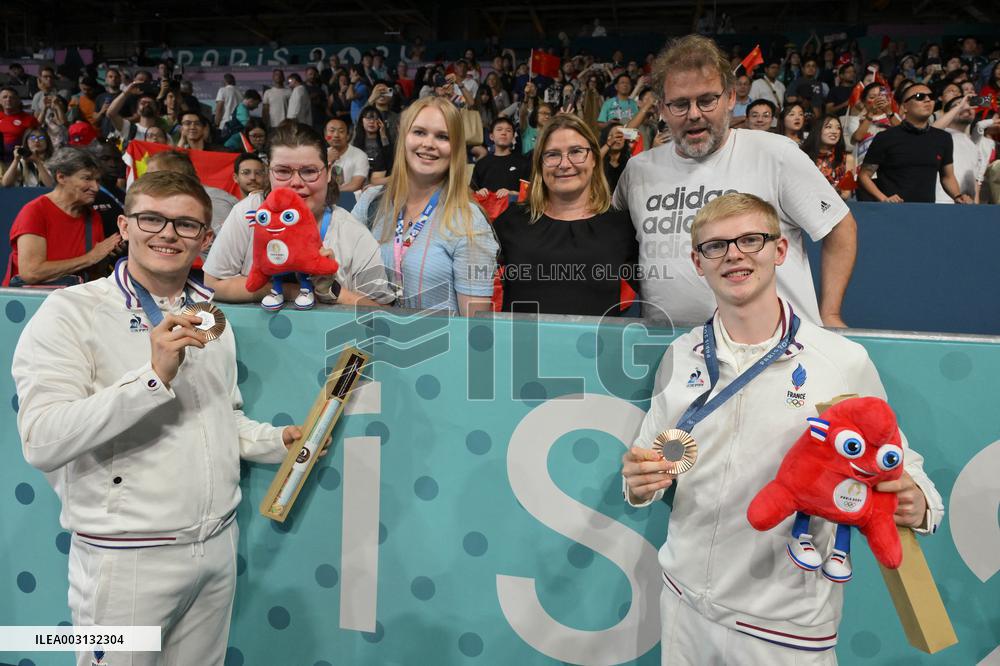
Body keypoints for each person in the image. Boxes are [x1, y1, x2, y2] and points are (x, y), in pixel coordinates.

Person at [621, 192, 942, 665]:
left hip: (785, 627)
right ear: (697, 261)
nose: (734, 254)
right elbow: (648, 458)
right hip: (685, 604)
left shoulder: (839, 360)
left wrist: (921, 503)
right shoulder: (681, 355)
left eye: (751, 239)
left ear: (780, 250)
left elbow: (900, 464)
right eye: (716, 246)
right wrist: (638, 482)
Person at [12, 170, 306, 666]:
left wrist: (280, 442)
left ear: (205, 240)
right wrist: (152, 379)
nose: (168, 234)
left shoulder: (210, 316)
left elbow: (220, 418)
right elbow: (42, 440)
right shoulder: (70, 312)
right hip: (127, 560)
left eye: (186, 225)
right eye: (152, 219)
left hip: (214, 549)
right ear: (124, 227)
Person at [612, 34, 857, 328]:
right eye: (679, 104)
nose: (694, 114)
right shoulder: (638, 171)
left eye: (706, 100)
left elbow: (840, 226)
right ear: (662, 109)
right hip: (672, 351)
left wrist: (830, 314)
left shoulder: (775, 153)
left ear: (730, 98)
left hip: (777, 350)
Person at [204, 121, 394, 307]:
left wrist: (330, 290)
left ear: (328, 173)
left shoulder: (353, 234)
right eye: (283, 171)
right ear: (269, 172)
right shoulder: (249, 214)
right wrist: (289, 290)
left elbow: (382, 312)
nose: (296, 182)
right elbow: (213, 283)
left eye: (309, 171)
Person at [351, 96, 498, 314]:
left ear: (455, 148)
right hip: (370, 342)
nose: (428, 144)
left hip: (436, 345)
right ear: (404, 137)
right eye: (419, 132)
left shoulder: (470, 221)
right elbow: (336, 272)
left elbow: (475, 325)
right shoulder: (371, 201)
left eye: (442, 136)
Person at [493, 113, 637, 316]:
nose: (564, 164)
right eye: (552, 154)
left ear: (594, 158)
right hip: (523, 346)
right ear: (540, 164)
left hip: (597, 346)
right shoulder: (511, 220)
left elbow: (657, 293)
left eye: (576, 152)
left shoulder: (621, 225)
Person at [3, 147, 121, 286]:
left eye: (97, 180)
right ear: (61, 177)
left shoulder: (93, 216)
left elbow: (94, 274)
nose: (95, 187)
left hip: (72, 300)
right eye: (87, 178)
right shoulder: (35, 212)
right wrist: (89, 258)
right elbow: (31, 273)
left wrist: (104, 258)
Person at [858, 83, 970, 204]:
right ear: (904, 107)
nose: (927, 100)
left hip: (926, 212)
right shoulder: (885, 137)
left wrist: (957, 196)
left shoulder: (943, 138)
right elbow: (864, 176)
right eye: (919, 96)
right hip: (892, 212)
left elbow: (947, 176)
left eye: (930, 96)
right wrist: (884, 198)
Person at [144, 150, 236, 243]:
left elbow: (232, 247)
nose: (147, 181)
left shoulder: (212, 201)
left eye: (153, 176)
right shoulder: (182, 201)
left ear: (176, 175)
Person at [470, 117, 531, 198]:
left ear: (513, 137)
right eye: (499, 129)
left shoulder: (523, 162)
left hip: (515, 209)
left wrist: (513, 193)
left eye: (508, 130)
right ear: (491, 136)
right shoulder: (481, 164)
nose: (503, 133)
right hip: (486, 209)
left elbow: (530, 194)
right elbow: (471, 192)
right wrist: (478, 193)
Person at [802, 116, 855, 200]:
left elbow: (846, 194)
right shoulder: (803, 156)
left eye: (838, 128)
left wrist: (835, 191)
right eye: (828, 127)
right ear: (818, 130)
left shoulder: (848, 159)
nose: (834, 131)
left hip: (836, 207)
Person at [352, 105, 393, 186]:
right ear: (361, 121)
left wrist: (383, 135)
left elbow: (389, 161)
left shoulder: (385, 140)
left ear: (380, 122)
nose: (371, 121)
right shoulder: (356, 141)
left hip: (380, 181)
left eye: (375, 118)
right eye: (368, 118)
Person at [324, 116, 368, 192]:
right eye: (332, 131)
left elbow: (355, 185)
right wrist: (326, 162)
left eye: (341, 131)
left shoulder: (360, 155)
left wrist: (331, 193)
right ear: (325, 136)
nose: (336, 135)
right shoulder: (320, 154)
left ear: (348, 136)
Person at [1, 86, 40, 163]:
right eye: (5, 97)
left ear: (18, 101)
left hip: (18, 159)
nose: (8, 99)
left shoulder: (30, 119)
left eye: (12, 97)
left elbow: (38, 139)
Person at [599, 122, 630, 191]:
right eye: (612, 136)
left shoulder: (629, 162)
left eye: (620, 136)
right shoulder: (601, 159)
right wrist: (609, 144)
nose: (616, 139)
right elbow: (593, 161)